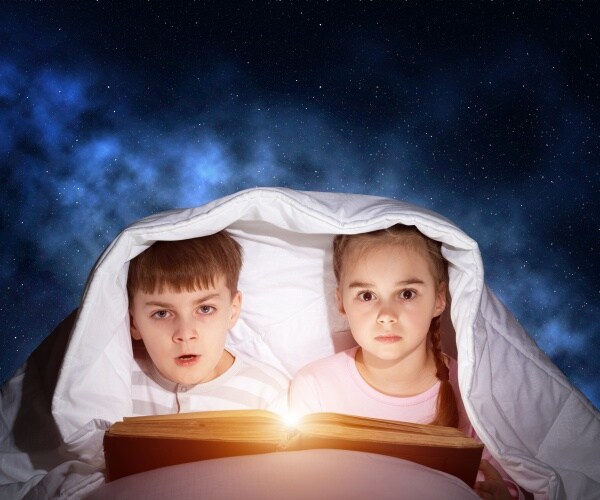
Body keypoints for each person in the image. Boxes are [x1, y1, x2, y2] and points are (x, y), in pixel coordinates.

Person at [289, 225, 522, 499]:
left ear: (439, 299)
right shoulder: (315, 386)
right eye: (366, 295)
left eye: (407, 293)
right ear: (341, 302)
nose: (386, 315)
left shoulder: (473, 388)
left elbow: (506, 479)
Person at [127, 231, 288, 415]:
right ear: (134, 322)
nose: (185, 334)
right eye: (162, 313)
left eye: (205, 309)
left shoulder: (266, 395)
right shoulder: (119, 382)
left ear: (233, 310)